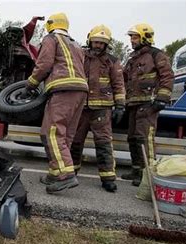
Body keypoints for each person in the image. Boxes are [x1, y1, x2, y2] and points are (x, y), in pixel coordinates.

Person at [22, 13, 88, 194]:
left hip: (63, 89)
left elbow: (44, 64)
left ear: (50, 25)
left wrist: (31, 83)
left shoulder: (51, 38)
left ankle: (66, 175)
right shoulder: (75, 43)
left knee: (51, 132)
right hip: (80, 90)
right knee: (65, 134)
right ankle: (55, 172)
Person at [69, 25, 125, 193]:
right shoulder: (80, 55)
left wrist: (120, 105)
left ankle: (108, 178)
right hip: (82, 107)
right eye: (96, 41)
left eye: (102, 43)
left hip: (102, 109)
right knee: (75, 142)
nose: (98, 45)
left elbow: (118, 83)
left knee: (103, 143)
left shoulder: (112, 60)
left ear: (106, 44)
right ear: (90, 40)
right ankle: (71, 173)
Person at [122, 23, 174, 186]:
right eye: (131, 37)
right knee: (132, 138)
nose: (132, 40)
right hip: (133, 104)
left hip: (149, 103)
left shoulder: (156, 55)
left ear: (145, 37)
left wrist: (162, 97)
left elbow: (167, 76)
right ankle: (137, 170)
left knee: (145, 138)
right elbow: (123, 79)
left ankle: (148, 175)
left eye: (135, 37)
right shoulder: (132, 59)